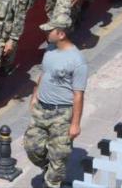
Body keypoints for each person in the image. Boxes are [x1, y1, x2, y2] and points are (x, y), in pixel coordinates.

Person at [23, 15, 87, 188]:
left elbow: (78, 95)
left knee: (59, 157)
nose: (46, 32)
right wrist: (35, 96)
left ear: (61, 34)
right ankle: (49, 169)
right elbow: (44, 74)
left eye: (50, 30)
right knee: (31, 146)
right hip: (41, 108)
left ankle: (52, 180)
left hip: (62, 114)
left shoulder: (77, 61)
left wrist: (75, 124)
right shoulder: (50, 49)